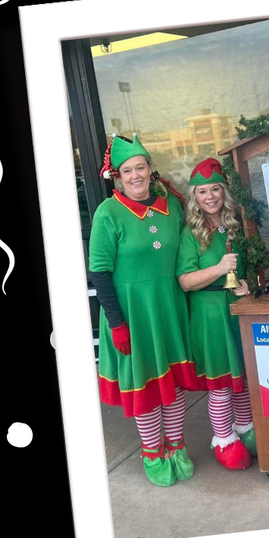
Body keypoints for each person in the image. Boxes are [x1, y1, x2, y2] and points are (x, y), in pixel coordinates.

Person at [89, 134, 197, 486]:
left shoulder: (172, 207)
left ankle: (176, 446)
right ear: (116, 177)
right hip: (132, 316)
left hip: (168, 310)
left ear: (151, 170)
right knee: (147, 387)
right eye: (127, 170)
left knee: (173, 385)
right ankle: (153, 451)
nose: (135, 175)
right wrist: (116, 323)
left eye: (140, 167)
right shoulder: (108, 213)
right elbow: (99, 272)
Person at [177, 158, 255, 471]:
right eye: (202, 192)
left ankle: (246, 429)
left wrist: (242, 283)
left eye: (215, 189)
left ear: (224, 192)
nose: (210, 197)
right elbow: (184, 280)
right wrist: (220, 269)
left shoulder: (233, 226)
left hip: (234, 312)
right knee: (221, 383)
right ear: (194, 197)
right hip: (209, 316)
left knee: (242, 379)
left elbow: (240, 270)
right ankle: (223, 438)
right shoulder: (190, 235)